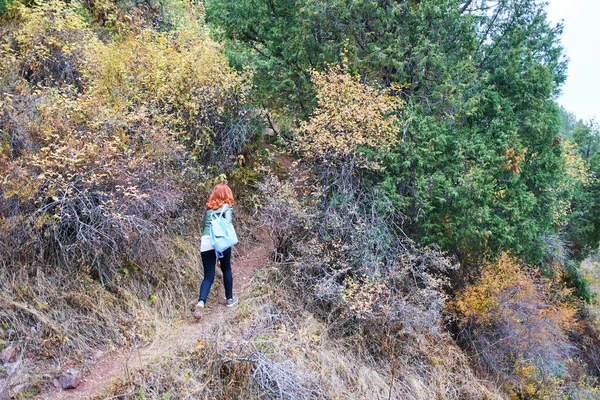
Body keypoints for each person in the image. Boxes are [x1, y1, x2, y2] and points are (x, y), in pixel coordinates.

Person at [193, 183, 238, 319]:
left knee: (208, 276)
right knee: (226, 269)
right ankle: (229, 299)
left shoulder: (208, 211)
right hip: (220, 241)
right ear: (227, 194)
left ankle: (201, 302)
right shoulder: (227, 208)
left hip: (206, 242)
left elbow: (204, 228)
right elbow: (228, 223)